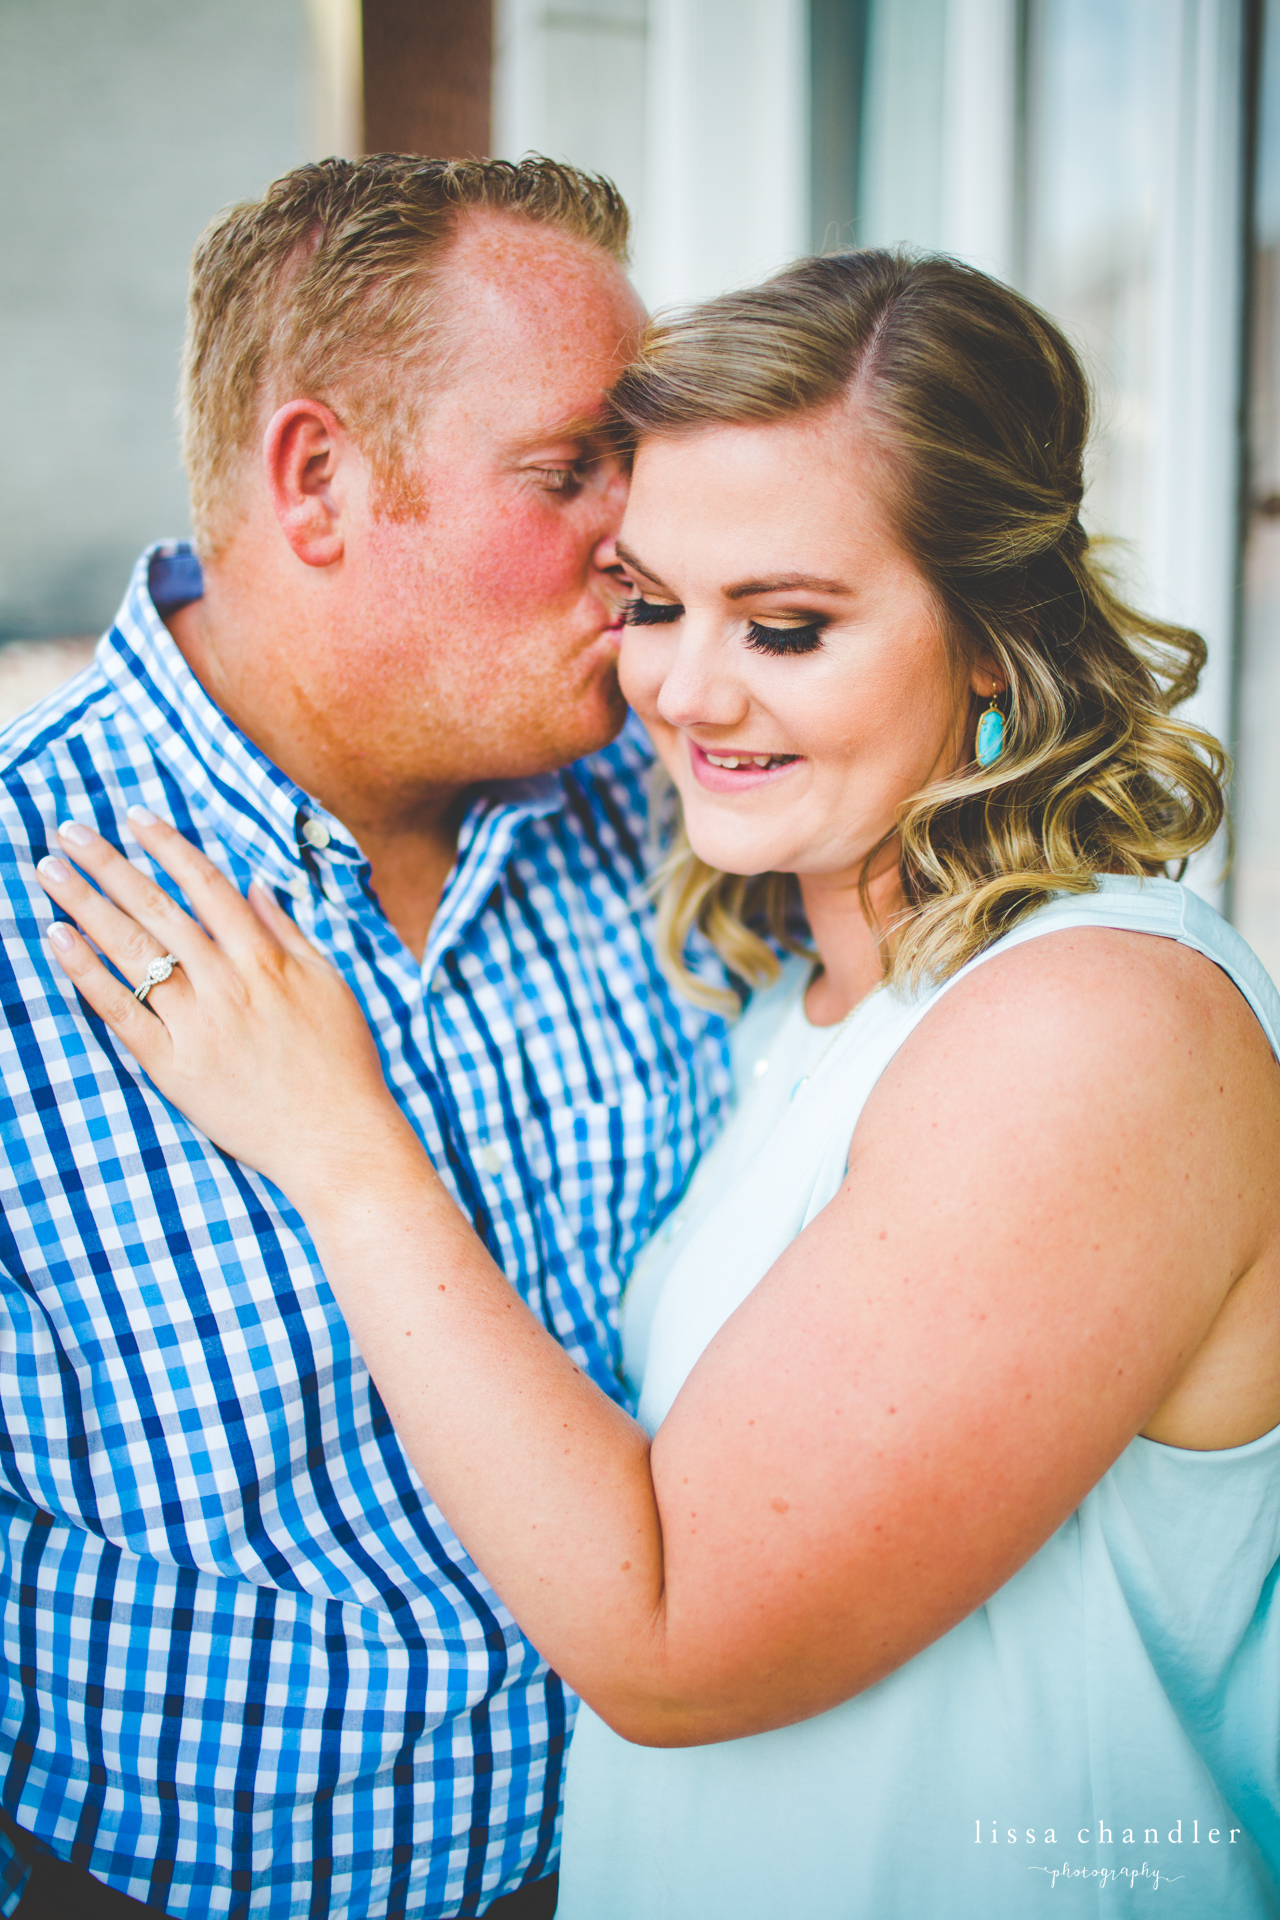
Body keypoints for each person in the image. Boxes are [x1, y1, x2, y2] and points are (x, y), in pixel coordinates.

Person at [38, 250, 1280, 1919]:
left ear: (999, 641)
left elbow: (674, 1636)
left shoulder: (1095, 1026)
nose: (683, 692)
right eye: (649, 600)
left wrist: (342, 1146)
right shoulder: (779, 999)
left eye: (786, 625)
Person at [0, 157, 730, 1918]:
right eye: (570, 469)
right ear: (318, 480)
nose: (643, 541)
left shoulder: (684, 808)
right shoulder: (24, 911)